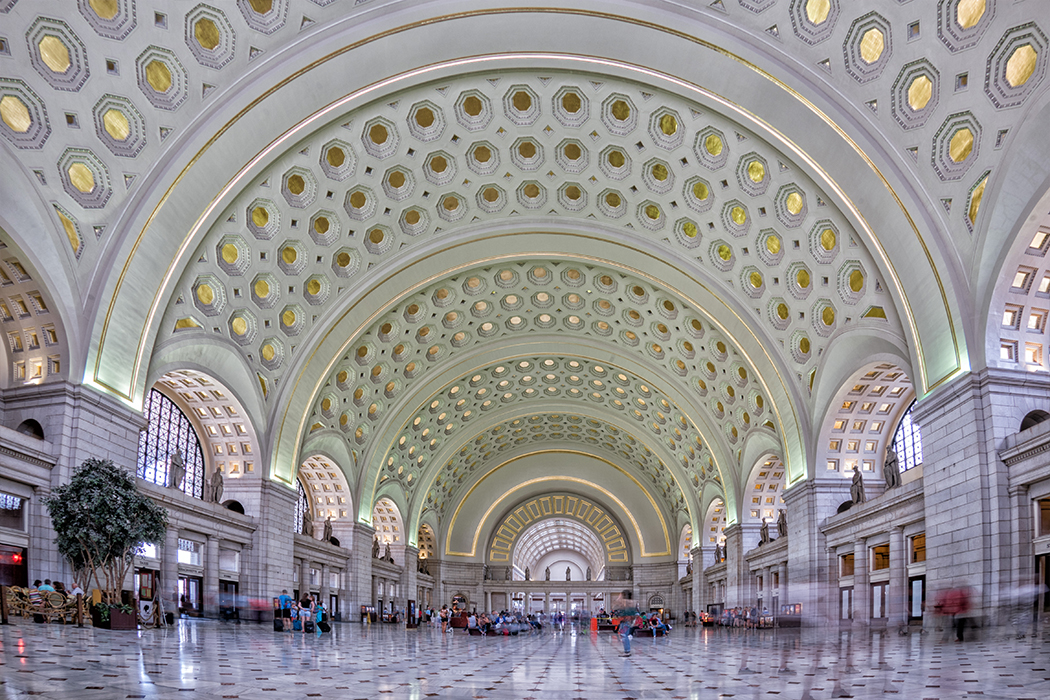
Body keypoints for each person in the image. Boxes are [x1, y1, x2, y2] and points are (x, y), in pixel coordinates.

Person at [614, 589, 640, 657]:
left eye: (621, 595)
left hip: (626, 621)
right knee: (623, 635)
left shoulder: (628, 603)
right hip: (625, 621)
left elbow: (630, 613)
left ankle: (627, 651)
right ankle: (627, 650)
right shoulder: (627, 603)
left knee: (624, 635)